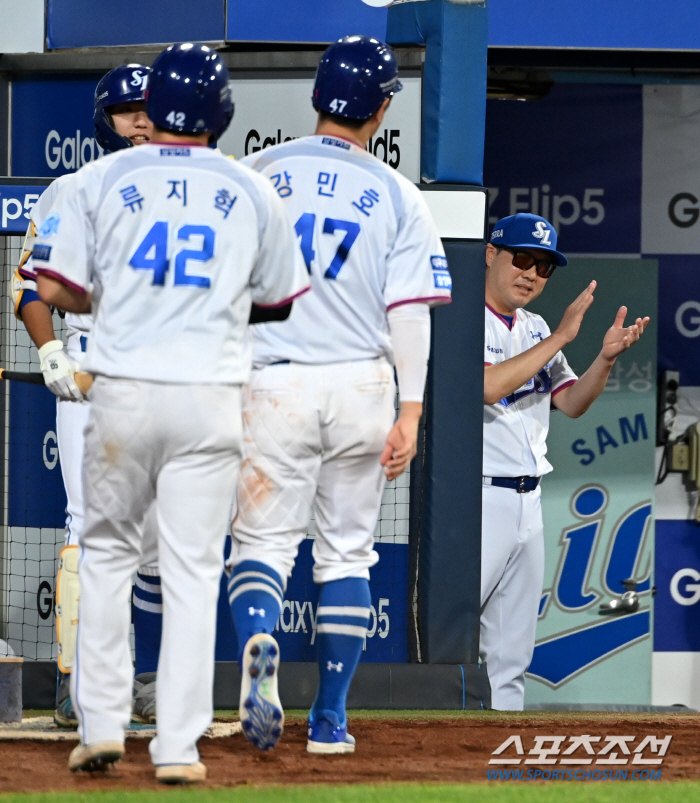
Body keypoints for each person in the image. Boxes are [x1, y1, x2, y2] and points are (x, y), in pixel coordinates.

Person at [33, 42, 308, 783]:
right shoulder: (251, 187)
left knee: (106, 558)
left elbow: (51, 288)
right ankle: (179, 749)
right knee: (191, 572)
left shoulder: (96, 179)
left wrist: (121, 296)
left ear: (151, 109)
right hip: (208, 398)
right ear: (222, 113)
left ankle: (99, 727)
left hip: (122, 391)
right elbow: (280, 301)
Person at [225, 34, 452, 754]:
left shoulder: (255, 172)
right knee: (348, 555)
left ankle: (258, 643)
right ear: (381, 110)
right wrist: (411, 411)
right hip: (362, 384)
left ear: (317, 96)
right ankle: (329, 719)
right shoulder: (399, 194)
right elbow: (409, 314)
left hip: (274, 381)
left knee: (261, 544)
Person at [13, 64, 161, 729]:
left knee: (161, 536)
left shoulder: (184, 189)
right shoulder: (71, 191)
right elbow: (30, 286)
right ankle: (77, 684)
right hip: (90, 363)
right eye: (128, 110)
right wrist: (50, 353)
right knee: (88, 525)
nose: (141, 120)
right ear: (105, 119)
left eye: (149, 108)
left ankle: (147, 682)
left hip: (164, 371)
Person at [481, 213, 650, 710]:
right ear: (491, 254)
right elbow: (487, 386)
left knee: (512, 651)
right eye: (522, 258)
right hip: (478, 497)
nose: (532, 273)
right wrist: (561, 338)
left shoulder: (534, 327)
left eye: (544, 267)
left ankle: (497, 746)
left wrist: (605, 359)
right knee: (452, 631)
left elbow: (572, 402)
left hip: (528, 499)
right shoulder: (462, 316)